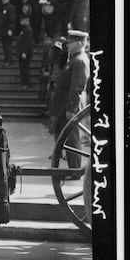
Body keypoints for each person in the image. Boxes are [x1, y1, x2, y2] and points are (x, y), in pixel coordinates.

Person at [50, 30, 89, 169]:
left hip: (69, 105)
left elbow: (77, 87)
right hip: (63, 105)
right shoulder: (73, 59)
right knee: (65, 138)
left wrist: (71, 109)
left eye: (71, 42)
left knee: (72, 139)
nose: (67, 45)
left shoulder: (79, 61)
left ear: (79, 43)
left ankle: (74, 170)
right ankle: (72, 168)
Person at [0, 0, 17, 66]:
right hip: (3, 30)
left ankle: (8, 60)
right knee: (4, 46)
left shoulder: (10, 8)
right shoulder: (3, 8)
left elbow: (12, 19)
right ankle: (6, 59)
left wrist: (10, 29)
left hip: (7, 30)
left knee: (8, 45)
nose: (3, 0)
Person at [17, 16, 34, 88]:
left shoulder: (28, 30)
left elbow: (27, 42)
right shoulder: (24, 30)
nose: (21, 22)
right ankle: (24, 81)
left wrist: (25, 52)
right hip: (21, 52)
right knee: (23, 68)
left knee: (25, 68)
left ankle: (27, 82)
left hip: (24, 53)